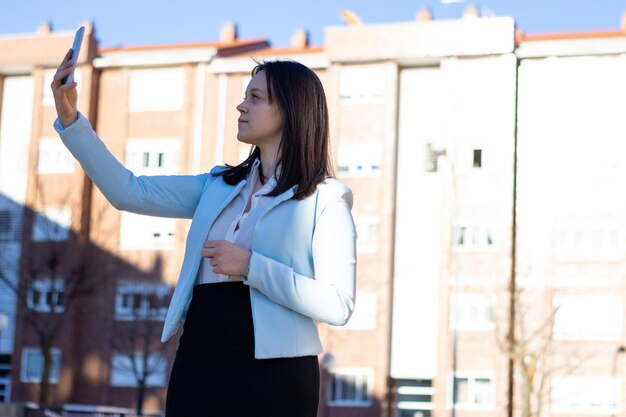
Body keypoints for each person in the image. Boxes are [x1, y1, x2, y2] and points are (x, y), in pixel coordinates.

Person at [51, 49, 357, 417]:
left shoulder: (325, 199)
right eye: (245, 96)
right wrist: (71, 120)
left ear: (292, 110)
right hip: (198, 358)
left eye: (255, 98)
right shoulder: (216, 186)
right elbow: (127, 191)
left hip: (277, 374)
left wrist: (251, 266)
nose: (241, 107)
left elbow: (338, 304)